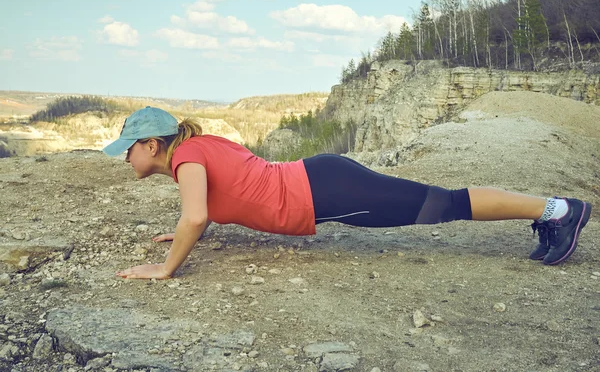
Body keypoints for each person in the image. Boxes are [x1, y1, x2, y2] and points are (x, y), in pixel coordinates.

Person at [103, 107, 592, 280]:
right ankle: (553, 211)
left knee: (445, 205)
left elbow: (193, 215)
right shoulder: (197, 149)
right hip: (324, 183)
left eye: (128, 150)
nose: (124, 158)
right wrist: (189, 233)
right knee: (442, 204)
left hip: (327, 191)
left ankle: (560, 210)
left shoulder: (187, 157)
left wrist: (166, 269)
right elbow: (205, 208)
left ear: (152, 144)